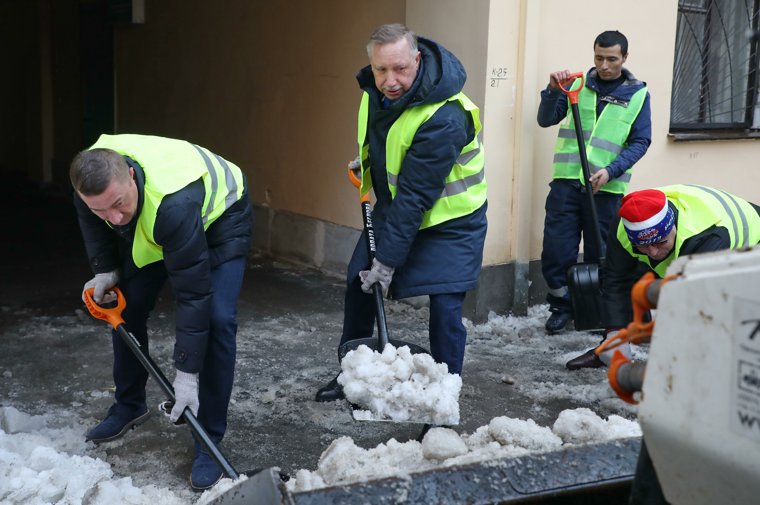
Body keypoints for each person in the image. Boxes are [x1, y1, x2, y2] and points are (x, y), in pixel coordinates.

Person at [314, 23, 487, 402]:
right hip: (398, 208)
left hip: (451, 221)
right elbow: (385, 142)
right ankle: (354, 373)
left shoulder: (446, 116)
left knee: (444, 309)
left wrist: (387, 263)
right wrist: (367, 165)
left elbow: (416, 195)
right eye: (381, 70)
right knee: (357, 284)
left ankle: (443, 398)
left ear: (418, 60)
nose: (390, 81)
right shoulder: (374, 93)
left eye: (400, 69)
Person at [69, 133, 252, 490]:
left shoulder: (173, 206)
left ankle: (208, 439)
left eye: (118, 204)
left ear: (131, 179)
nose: (115, 218)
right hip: (157, 218)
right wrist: (105, 269)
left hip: (220, 219)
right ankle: (129, 405)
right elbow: (97, 221)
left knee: (217, 318)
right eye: (101, 209)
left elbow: (193, 294)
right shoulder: (92, 181)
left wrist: (186, 376)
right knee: (126, 303)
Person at [566, 184, 760, 369]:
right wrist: (614, 334)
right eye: (642, 246)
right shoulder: (626, 224)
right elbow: (616, 280)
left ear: (672, 227)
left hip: (751, 245)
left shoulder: (706, 236)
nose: (653, 252)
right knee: (625, 273)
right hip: (688, 246)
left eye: (660, 242)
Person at [537, 30, 651, 334]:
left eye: (611, 59)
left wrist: (610, 171)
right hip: (566, 184)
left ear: (624, 58)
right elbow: (545, 119)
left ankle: (601, 310)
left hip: (606, 189)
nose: (604, 65)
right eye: (598, 57)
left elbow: (641, 141)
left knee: (602, 254)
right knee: (556, 251)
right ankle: (562, 306)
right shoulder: (575, 84)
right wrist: (551, 91)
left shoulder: (637, 94)